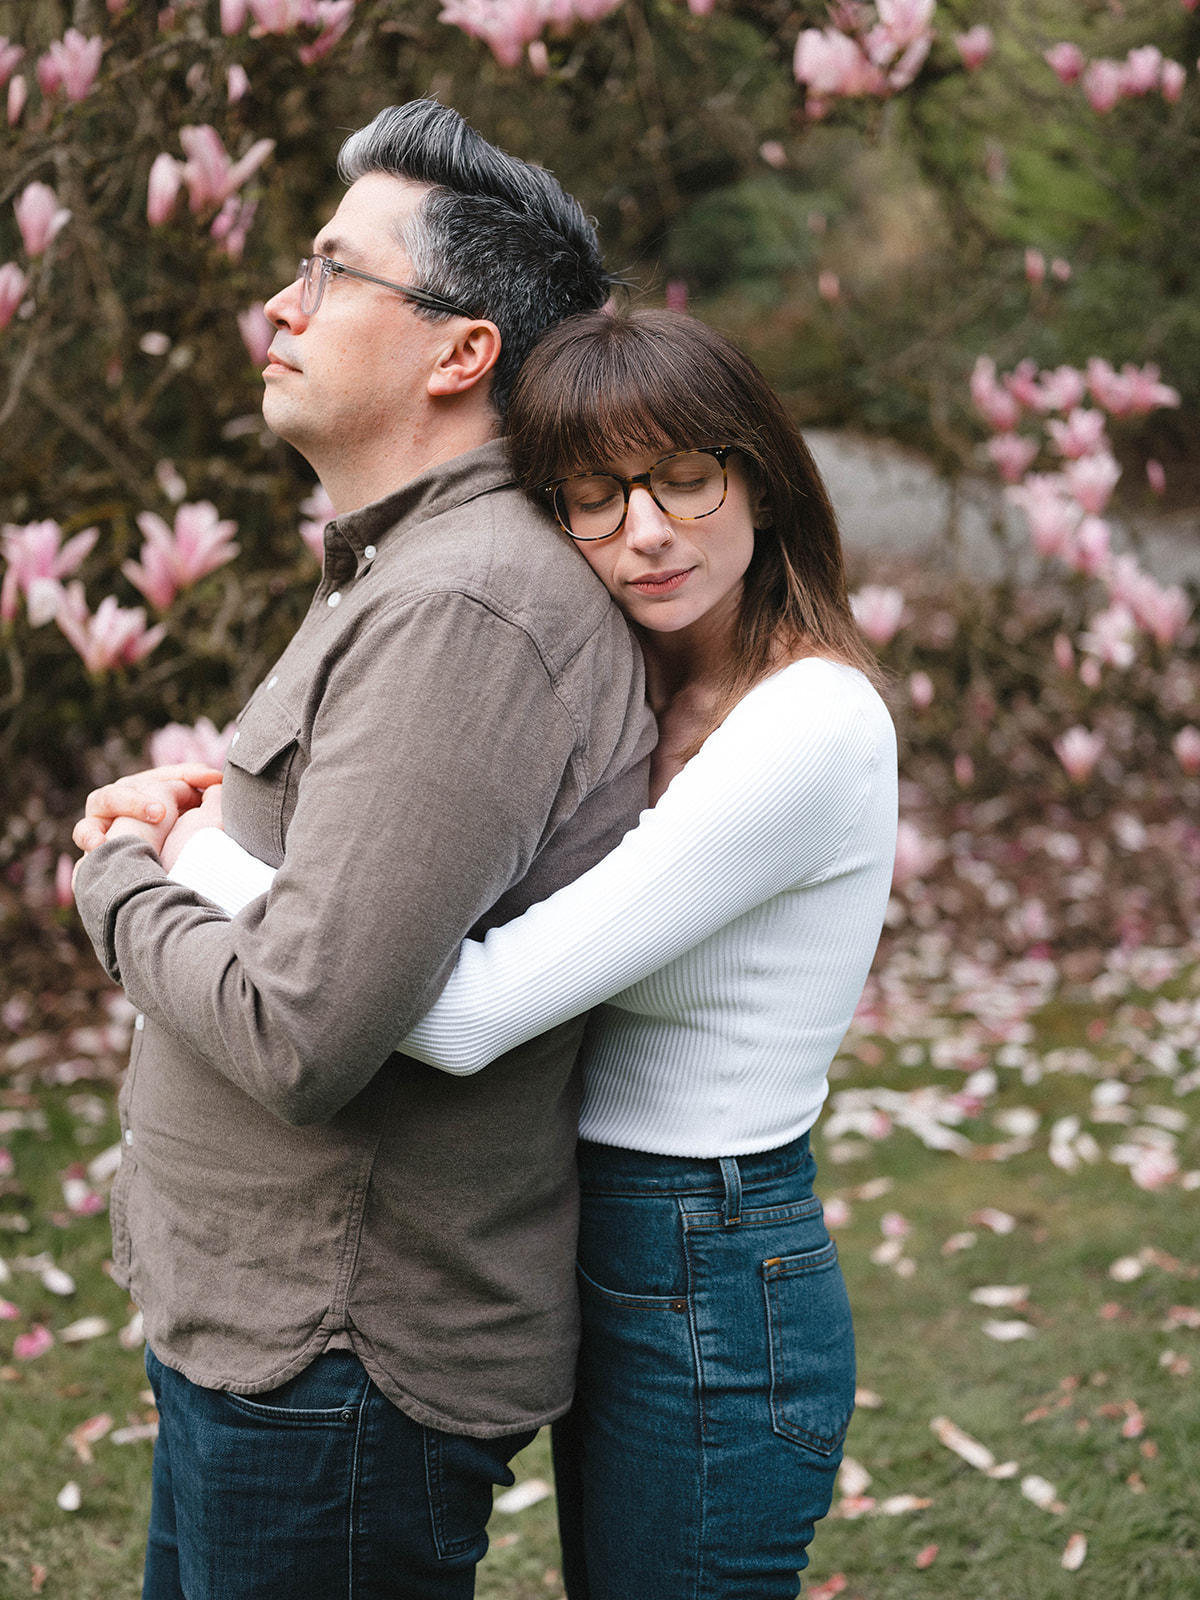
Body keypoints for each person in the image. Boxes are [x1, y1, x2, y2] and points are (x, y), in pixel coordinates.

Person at [133, 310, 899, 1599]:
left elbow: (467, 1010)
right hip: (597, 1224)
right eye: (593, 502)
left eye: (685, 480)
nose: (643, 533)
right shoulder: (649, 687)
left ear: (761, 474)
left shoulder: (810, 724)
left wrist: (194, 851)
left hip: (707, 1256)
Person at [71, 102, 656, 1599]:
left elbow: (303, 1026)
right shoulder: (402, 565)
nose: (282, 302)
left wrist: (114, 877)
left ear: (462, 351)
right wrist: (212, 825)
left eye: (334, 271)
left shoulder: (466, 608)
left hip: (333, 1366)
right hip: (265, 1343)